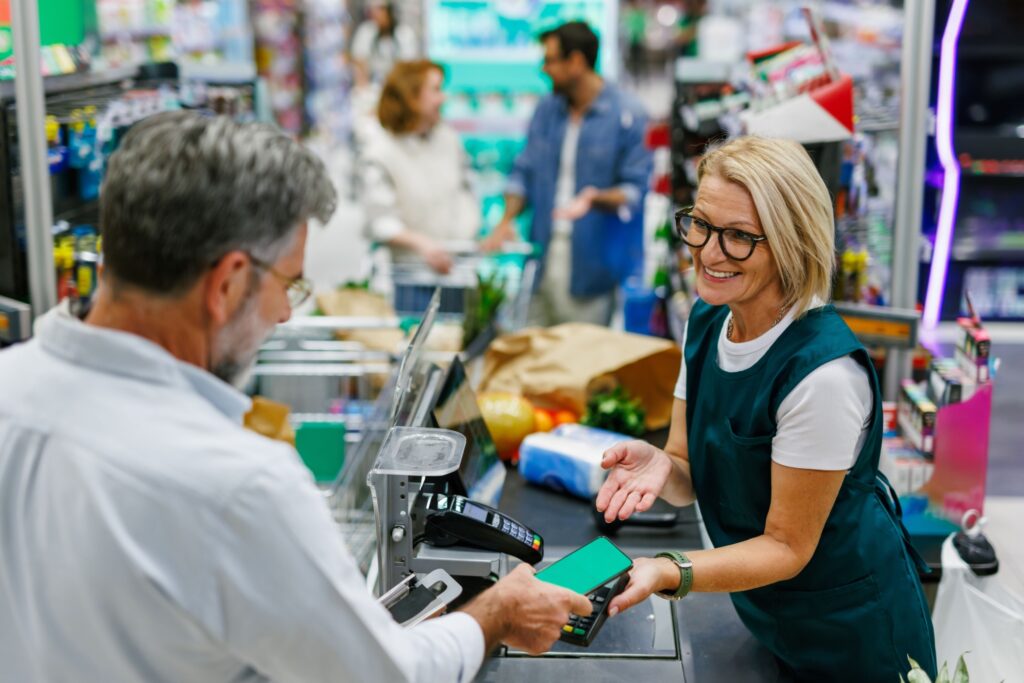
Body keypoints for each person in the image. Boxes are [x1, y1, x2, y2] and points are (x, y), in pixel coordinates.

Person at [0, 111, 591, 683]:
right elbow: (385, 675)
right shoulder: (237, 484)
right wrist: (495, 615)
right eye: (290, 284)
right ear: (228, 283)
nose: (285, 313)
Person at [595, 136, 938, 680]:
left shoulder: (821, 375)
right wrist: (663, 466)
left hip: (852, 635)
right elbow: (687, 470)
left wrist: (669, 570)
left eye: (738, 237)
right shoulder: (709, 321)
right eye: (701, 224)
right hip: (769, 615)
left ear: (791, 243)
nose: (709, 253)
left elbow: (786, 546)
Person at [482, 21, 652, 327]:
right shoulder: (547, 110)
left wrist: (594, 198)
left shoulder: (627, 113)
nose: (544, 69)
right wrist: (506, 220)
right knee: (532, 347)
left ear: (576, 62)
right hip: (541, 256)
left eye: (550, 60)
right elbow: (523, 171)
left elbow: (636, 190)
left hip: (592, 265)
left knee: (580, 352)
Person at [361, 60, 481, 275]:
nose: (443, 98)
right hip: (409, 272)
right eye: (436, 90)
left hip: (458, 268)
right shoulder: (381, 152)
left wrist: (470, 233)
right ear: (411, 97)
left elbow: (465, 191)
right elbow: (379, 220)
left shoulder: (448, 138)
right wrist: (422, 244)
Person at [350, 0, 418, 87]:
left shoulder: (404, 34)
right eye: (373, 10)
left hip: (398, 85)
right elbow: (359, 62)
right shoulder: (366, 32)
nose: (376, 14)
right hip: (372, 85)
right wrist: (364, 88)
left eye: (381, 9)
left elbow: (407, 66)